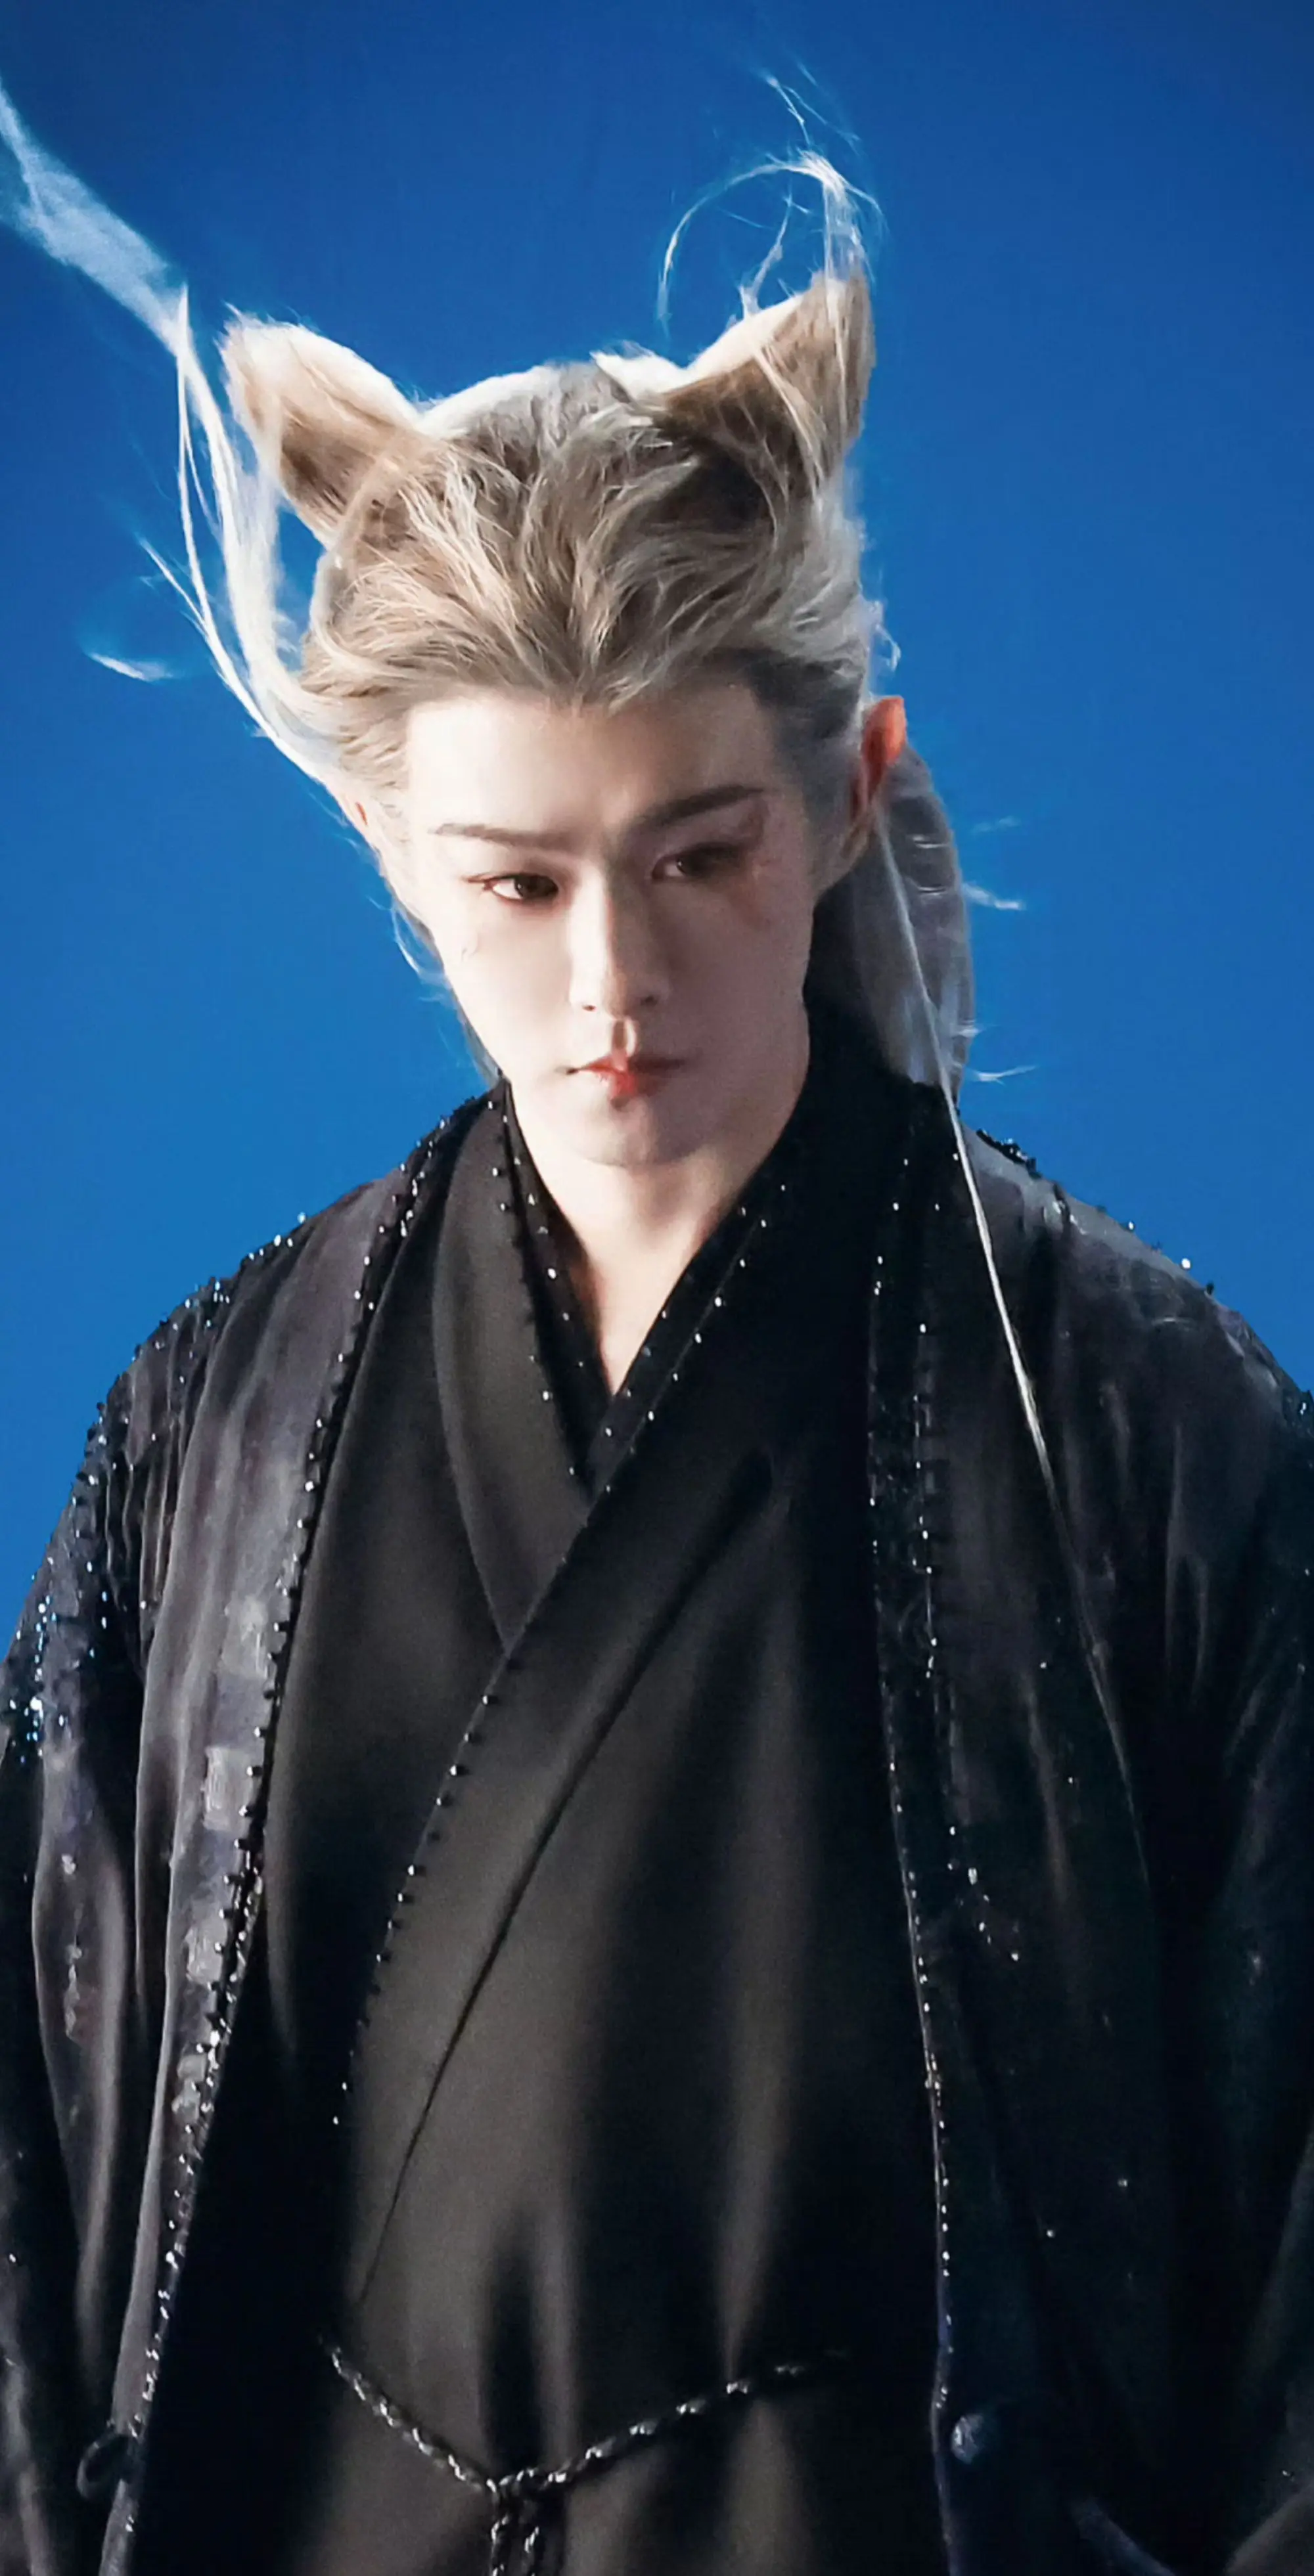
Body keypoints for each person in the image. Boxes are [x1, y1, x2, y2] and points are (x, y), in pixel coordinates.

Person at [3, 133, 1314, 2576]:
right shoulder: (211, 1429)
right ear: (396, 857)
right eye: (517, 883)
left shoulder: (1145, 1425)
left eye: (699, 856)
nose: (612, 985)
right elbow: (36, 2198)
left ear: (852, 792)